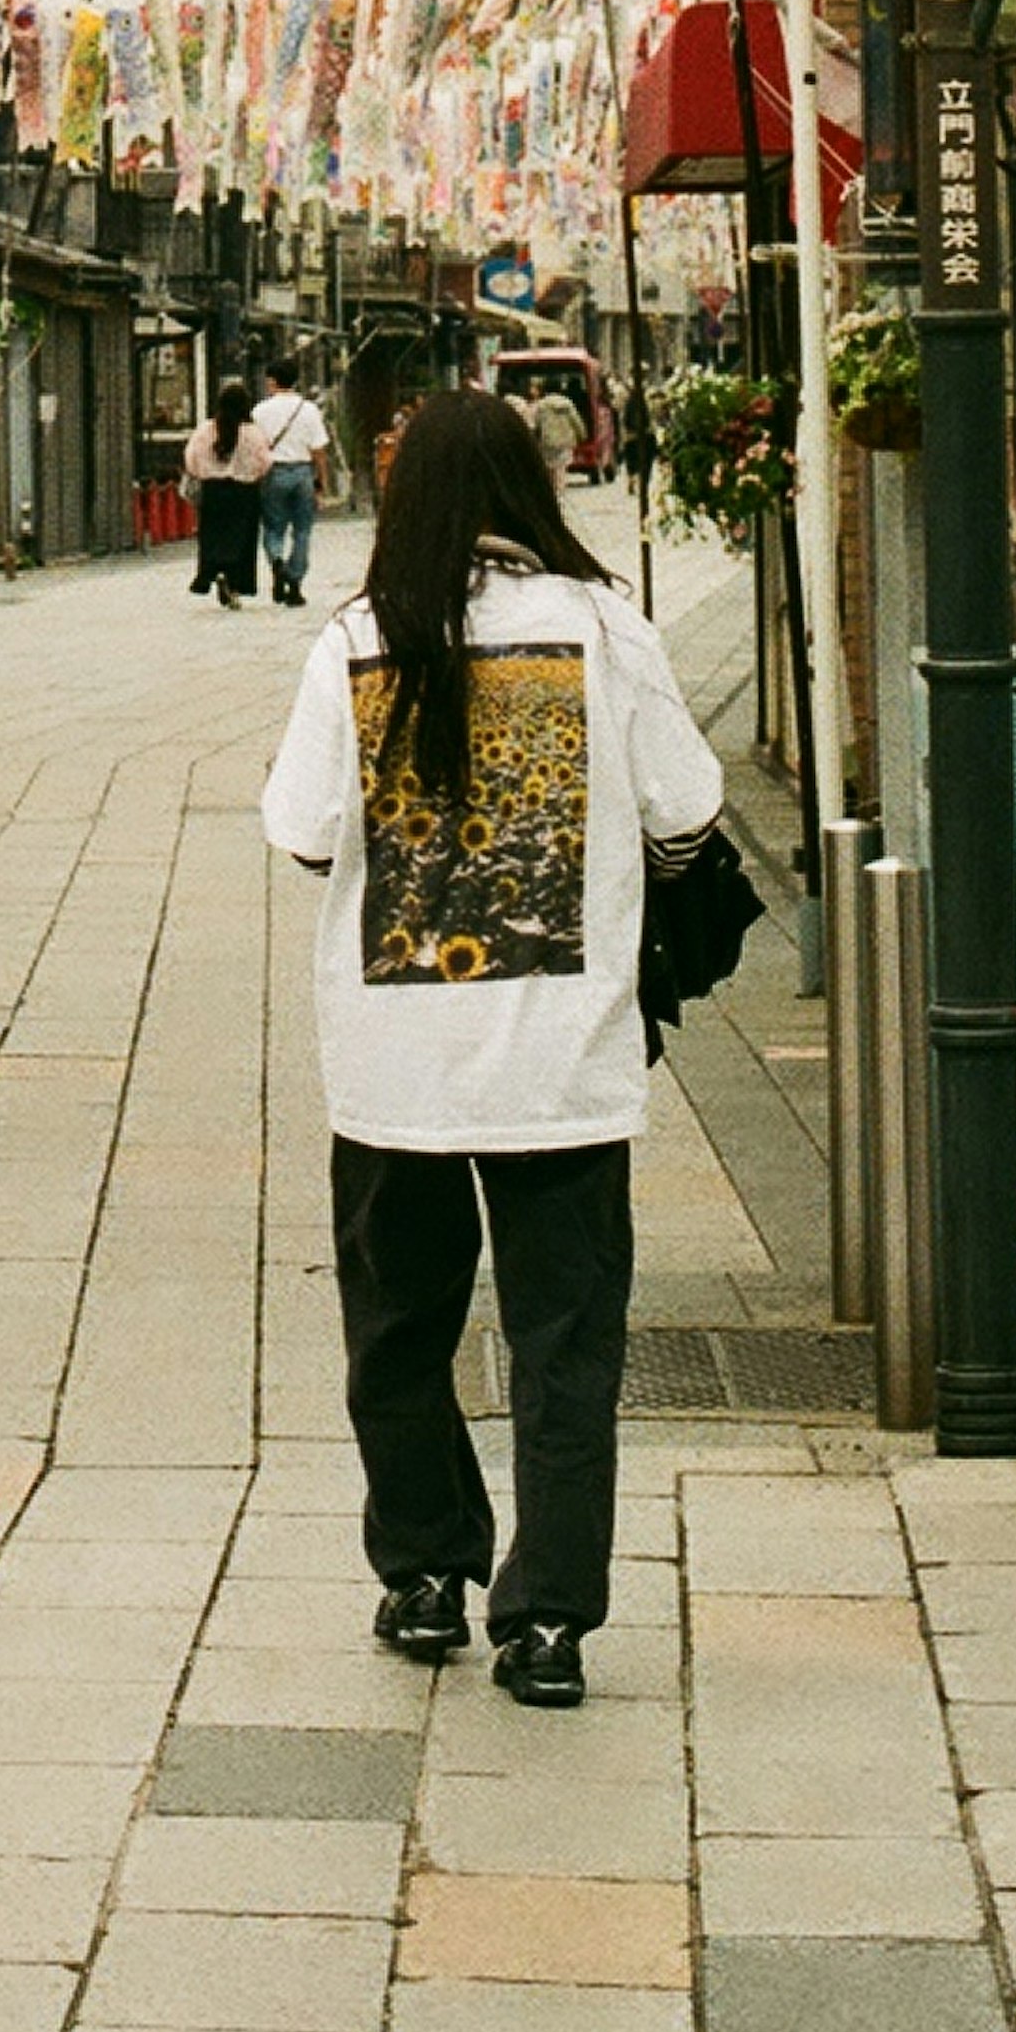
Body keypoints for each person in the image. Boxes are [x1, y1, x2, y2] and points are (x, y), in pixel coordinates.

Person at [262, 389, 722, 1713]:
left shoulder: (354, 643)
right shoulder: (604, 629)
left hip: (391, 1064)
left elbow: (299, 831)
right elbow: (687, 817)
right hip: (562, 1066)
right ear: (534, 487)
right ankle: (549, 1621)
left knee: (398, 1331)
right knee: (566, 1344)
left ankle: (423, 1572)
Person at [183, 373, 274, 608]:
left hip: (212, 490)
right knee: (242, 539)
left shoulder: (206, 430)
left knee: (212, 536)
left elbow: (191, 459)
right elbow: (265, 462)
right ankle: (235, 584)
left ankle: (213, 571)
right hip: (244, 492)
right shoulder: (252, 433)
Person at [250, 354, 331, 607]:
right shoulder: (309, 410)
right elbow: (319, 449)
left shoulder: (260, 411)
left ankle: (276, 561)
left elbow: (254, 447)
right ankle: (295, 581)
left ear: (273, 382)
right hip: (303, 472)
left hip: (273, 473)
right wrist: (322, 482)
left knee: (273, 527)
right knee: (303, 530)